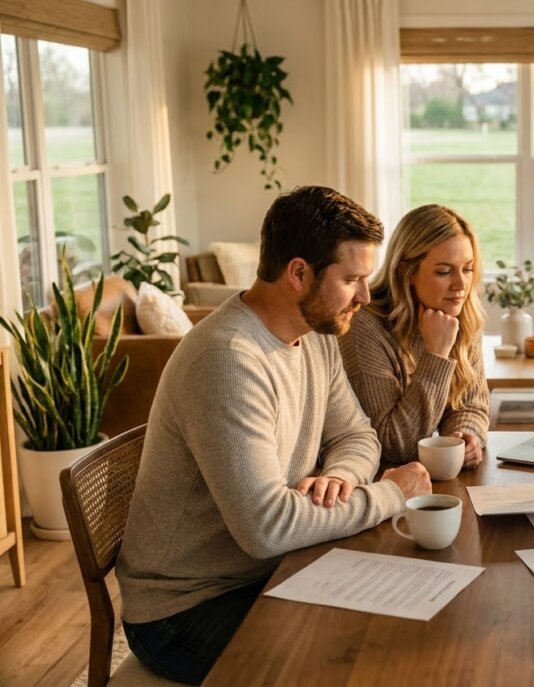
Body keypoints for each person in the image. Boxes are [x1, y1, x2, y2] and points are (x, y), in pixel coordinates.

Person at [116, 186, 432, 685]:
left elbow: (358, 435)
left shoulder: (314, 334)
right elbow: (267, 527)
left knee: (401, 621)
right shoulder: (227, 359)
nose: (365, 296)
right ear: (299, 273)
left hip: (266, 571)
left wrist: (341, 477)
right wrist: (391, 493)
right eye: (351, 278)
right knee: (353, 662)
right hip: (185, 608)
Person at [340, 204, 488, 467]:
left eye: (467, 269)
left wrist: (465, 436)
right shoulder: (365, 326)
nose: (461, 285)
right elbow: (393, 447)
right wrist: (436, 355)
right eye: (444, 271)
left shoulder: (461, 316)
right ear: (407, 272)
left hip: (434, 475)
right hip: (383, 480)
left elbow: (472, 405)